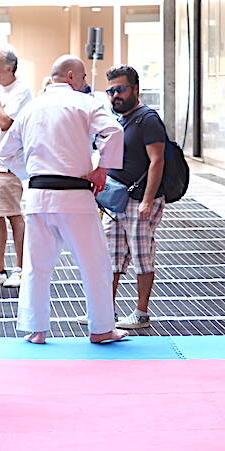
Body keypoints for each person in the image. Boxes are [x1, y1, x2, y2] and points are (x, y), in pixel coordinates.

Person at [0, 55, 128, 345]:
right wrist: (101, 170)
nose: (84, 84)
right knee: (94, 265)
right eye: (82, 79)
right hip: (74, 198)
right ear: (71, 76)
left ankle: (37, 329)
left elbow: (5, 153)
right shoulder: (85, 103)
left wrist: (29, 173)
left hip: (38, 196)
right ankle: (101, 328)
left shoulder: (30, 109)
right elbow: (113, 131)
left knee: (36, 267)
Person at [102, 65, 167, 329]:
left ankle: (141, 313)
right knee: (111, 257)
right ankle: (107, 311)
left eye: (120, 89)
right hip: (117, 200)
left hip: (140, 200)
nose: (115, 95)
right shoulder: (120, 119)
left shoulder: (148, 119)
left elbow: (157, 161)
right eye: (111, 90)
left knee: (142, 256)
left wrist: (148, 201)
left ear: (135, 89)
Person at [0, 46, 33, 289]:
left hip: (7, 166)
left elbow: (5, 124)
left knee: (14, 217)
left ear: (9, 67)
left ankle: (23, 269)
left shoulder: (21, 91)